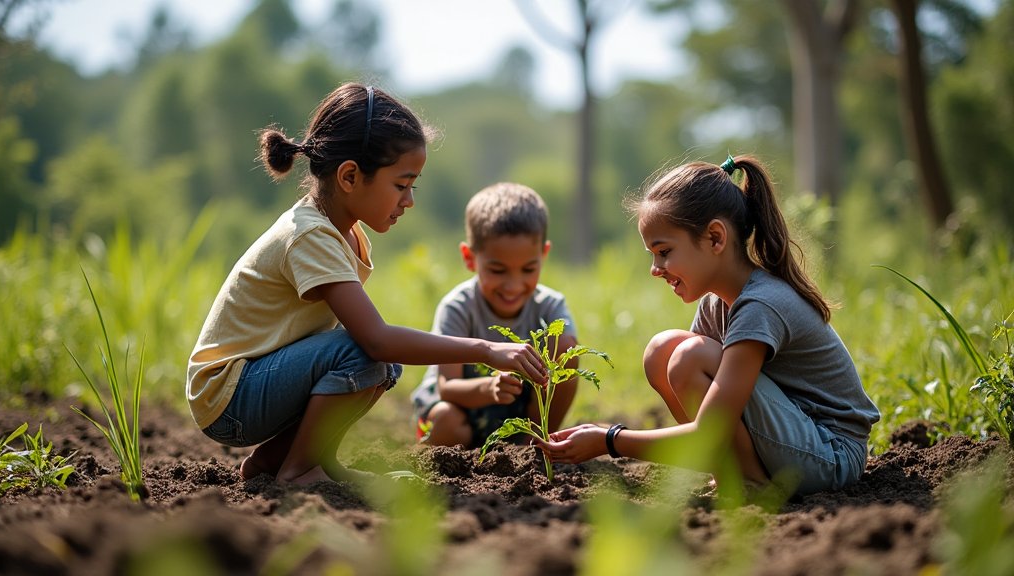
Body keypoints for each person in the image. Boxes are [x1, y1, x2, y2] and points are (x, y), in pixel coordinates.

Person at [186, 83, 547, 486]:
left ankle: (278, 462)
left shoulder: (343, 232)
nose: (409, 200)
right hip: (230, 395)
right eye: (401, 184)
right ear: (350, 176)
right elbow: (373, 340)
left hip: (252, 386)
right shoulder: (309, 236)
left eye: (414, 186)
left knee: (382, 362)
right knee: (367, 352)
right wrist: (486, 348)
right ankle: (302, 470)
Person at [537, 154, 880, 496]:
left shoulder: (760, 304)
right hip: (794, 443)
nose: (655, 268)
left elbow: (705, 427)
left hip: (830, 457)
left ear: (715, 238)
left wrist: (610, 440)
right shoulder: (715, 303)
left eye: (665, 251)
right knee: (663, 351)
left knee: (688, 356)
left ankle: (750, 483)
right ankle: (732, 473)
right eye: (652, 255)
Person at [410, 182, 578, 448]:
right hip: (461, 411)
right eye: (498, 271)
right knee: (446, 421)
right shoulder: (459, 307)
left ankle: (532, 445)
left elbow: (563, 371)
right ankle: (443, 452)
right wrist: (489, 389)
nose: (513, 285)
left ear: (543, 255)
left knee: (567, 349)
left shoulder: (550, 307)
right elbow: (447, 387)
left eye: (528, 269)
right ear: (470, 258)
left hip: (520, 417)